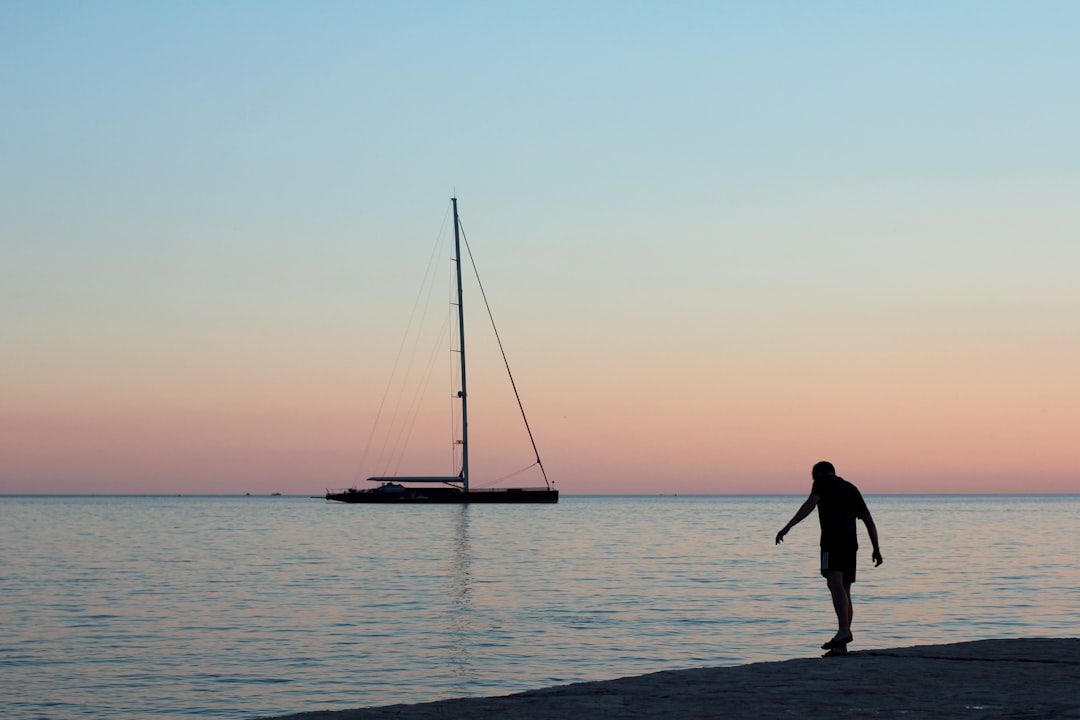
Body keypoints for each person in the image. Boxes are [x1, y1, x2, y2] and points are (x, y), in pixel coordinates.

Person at [775, 461, 882, 656]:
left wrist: (788, 526)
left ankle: (843, 631)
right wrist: (876, 548)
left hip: (831, 543)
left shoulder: (821, 481)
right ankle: (841, 646)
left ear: (816, 474)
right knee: (845, 589)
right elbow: (868, 520)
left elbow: (810, 503)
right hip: (851, 544)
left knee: (834, 585)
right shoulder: (851, 488)